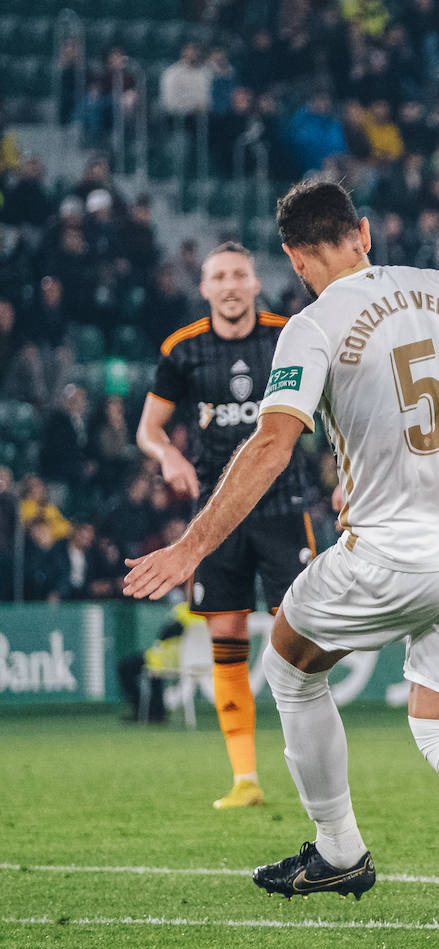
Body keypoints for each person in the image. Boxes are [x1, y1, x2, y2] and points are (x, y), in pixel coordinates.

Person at [124, 180, 439, 933]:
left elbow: (271, 443)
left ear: (296, 258)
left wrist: (191, 545)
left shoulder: (312, 325)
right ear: (363, 231)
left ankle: (339, 850)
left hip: (394, 557)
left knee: (290, 662)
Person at [135, 242, 314, 811]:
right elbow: (149, 429)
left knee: (299, 637)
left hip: (285, 505)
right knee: (226, 633)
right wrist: (167, 456)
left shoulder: (289, 334)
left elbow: (333, 403)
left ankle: (315, 765)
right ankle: (245, 779)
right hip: (217, 515)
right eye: (219, 277)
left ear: (255, 283)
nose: (231, 285)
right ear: (205, 288)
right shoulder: (182, 350)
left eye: (240, 274)